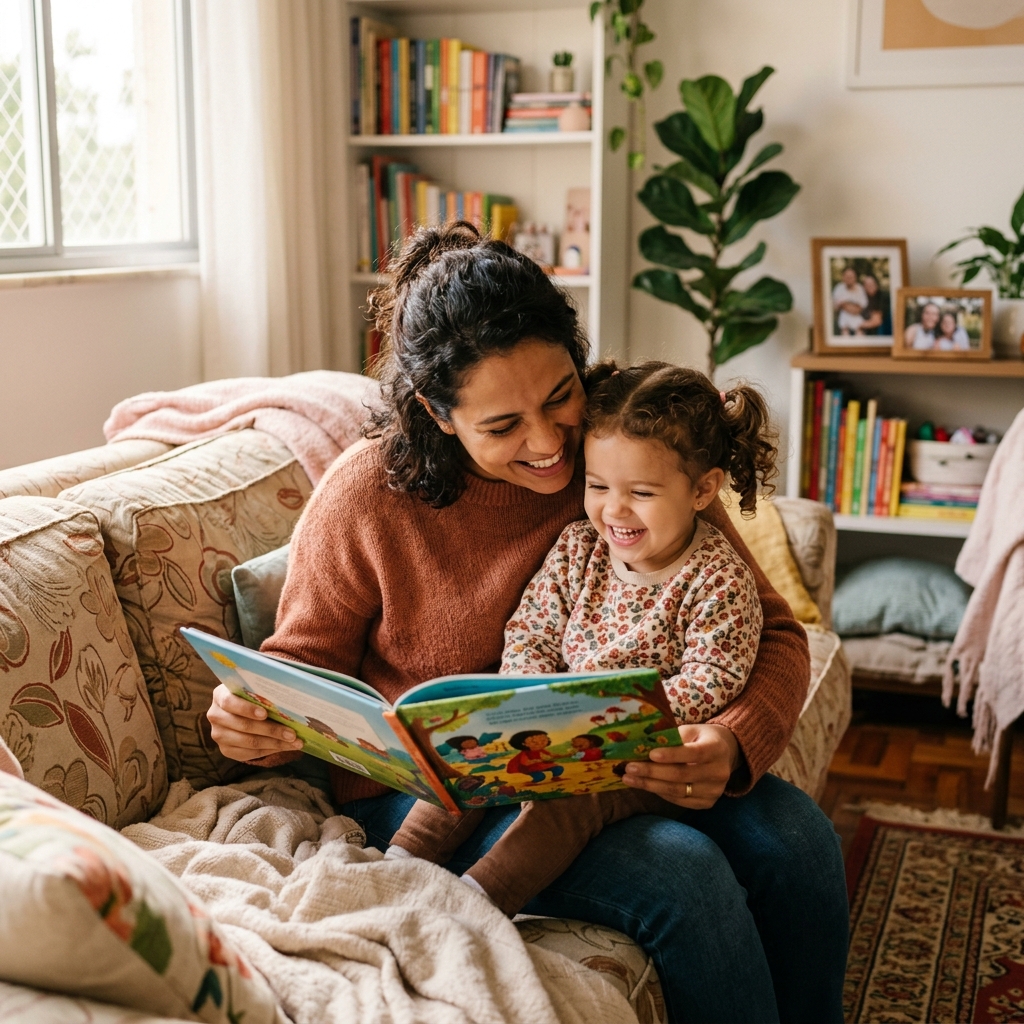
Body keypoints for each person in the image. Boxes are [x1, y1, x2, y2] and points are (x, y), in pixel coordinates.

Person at [205, 222, 848, 1024]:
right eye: (503, 427)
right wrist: (252, 718)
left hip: (614, 757)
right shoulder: (366, 495)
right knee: (682, 875)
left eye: (559, 399)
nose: (549, 446)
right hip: (431, 796)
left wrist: (735, 738)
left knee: (798, 838)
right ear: (438, 416)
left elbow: (776, 631)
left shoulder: (621, 450)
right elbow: (300, 667)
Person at [387, 362, 771, 918]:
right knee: (470, 750)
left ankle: (480, 901)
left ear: (703, 489)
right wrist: (528, 698)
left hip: (642, 748)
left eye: (641, 491)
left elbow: (715, 677)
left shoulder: (717, 577)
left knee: (572, 802)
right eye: (596, 485)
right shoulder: (577, 548)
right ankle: (397, 863)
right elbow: (531, 629)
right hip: (553, 719)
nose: (614, 510)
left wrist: (606, 716)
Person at [832, 265, 867, 335]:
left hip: (857, 319)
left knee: (860, 334)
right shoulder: (838, 288)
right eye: (847, 276)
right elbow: (835, 307)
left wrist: (844, 305)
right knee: (845, 334)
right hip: (842, 320)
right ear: (843, 277)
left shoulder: (860, 289)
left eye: (851, 277)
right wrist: (852, 306)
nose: (849, 279)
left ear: (855, 278)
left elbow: (859, 309)